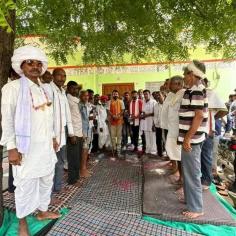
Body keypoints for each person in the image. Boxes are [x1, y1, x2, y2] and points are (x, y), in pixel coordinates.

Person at [0, 46, 60, 236]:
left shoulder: (44, 89)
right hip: (25, 149)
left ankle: (42, 212)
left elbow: (47, 118)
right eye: (30, 63)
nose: (35, 66)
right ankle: (22, 223)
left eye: (38, 63)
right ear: (21, 66)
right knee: (25, 185)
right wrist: (11, 147)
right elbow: (7, 119)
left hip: (45, 147)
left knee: (45, 180)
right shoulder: (12, 88)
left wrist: (52, 138)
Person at [178, 60, 208, 219]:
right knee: (189, 172)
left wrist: (187, 138)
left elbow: (198, 116)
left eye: (186, 74)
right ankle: (191, 200)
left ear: (193, 74)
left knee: (192, 173)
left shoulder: (196, 90)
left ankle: (196, 208)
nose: (184, 77)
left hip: (192, 140)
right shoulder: (192, 90)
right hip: (190, 139)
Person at [50, 68, 75, 192]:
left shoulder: (62, 92)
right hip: (51, 134)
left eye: (64, 76)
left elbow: (67, 114)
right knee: (51, 163)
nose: (62, 78)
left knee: (60, 161)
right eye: (59, 75)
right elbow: (47, 115)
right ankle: (50, 192)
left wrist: (71, 132)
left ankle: (58, 187)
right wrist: (52, 135)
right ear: (53, 76)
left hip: (63, 132)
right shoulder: (49, 89)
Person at [201, 78, 228, 190]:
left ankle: (207, 180)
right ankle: (202, 178)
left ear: (205, 83)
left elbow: (223, 110)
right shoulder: (192, 93)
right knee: (199, 157)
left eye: (202, 82)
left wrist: (212, 118)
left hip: (207, 131)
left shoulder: (211, 93)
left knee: (206, 156)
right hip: (196, 131)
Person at [165, 76, 185, 182]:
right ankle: (180, 178)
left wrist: (181, 135)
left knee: (181, 158)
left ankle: (182, 179)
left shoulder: (183, 94)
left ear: (178, 84)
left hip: (180, 133)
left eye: (170, 84)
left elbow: (184, 116)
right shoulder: (174, 95)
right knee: (177, 156)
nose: (168, 86)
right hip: (173, 130)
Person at [66, 81, 83, 186]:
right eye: (72, 88)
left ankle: (76, 177)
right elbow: (68, 118)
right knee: (73, 159)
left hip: (79, 132)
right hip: (73, 134)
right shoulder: (67, 100)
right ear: (68, 89)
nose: (75, 90)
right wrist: (71, 135)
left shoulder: (76, 100)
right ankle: (72, 180)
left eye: (76, 88)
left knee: (78, 158)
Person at [79, 90, 93, 177]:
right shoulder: (79, 105)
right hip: (82, 131)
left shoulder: (88, 105)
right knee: (83, 150)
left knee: (86, 150)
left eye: (87, 96)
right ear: (80, 96)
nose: (86, 97)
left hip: (89, 130)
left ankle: (84, 168)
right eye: (84, 96)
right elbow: (78, 120)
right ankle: (82, 170)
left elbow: (89, 118)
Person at [107, 90, 125, 157]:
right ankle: (114, 149)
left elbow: (123, 110)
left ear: (118, 95)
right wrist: (113, 116)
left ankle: (118, 150)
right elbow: (108, 110)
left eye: (116, 94)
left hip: (119, 121)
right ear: (112, 95)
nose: (115, 95)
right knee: (113, 137)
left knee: (119, 136)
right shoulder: (109, 102)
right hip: (112, 122)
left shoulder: (121, 101)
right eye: (114, 94)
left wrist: (118, 116)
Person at [140, 90, 157, 155]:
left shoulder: (154, 102)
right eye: (144, 94)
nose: (145, 95)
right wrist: (142, 115)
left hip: (152, 122)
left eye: (146, 94)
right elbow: (142, 111)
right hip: (145, 122)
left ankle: (153, 151)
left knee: (153, 137)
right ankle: (148, 150)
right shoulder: (143, 102)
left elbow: (155, 112)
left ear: (150, 94)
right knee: (147, 137)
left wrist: (146, 115)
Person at [154, 91, 164, 157]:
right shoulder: (156, 105)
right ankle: (160, 153)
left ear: (163, 95)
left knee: (165, 140)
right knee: (158, 140)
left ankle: (168, 154)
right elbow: (155, 116)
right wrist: (154, 124)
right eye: (157, 96)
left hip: (165, 126)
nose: (158, 97)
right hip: (158, 125)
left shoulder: (167, 104)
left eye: (159, 95)